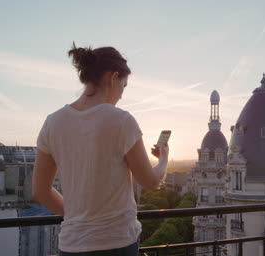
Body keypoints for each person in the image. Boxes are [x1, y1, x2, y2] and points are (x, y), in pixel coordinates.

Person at [32, 43, 169, 256]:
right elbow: (150, 181)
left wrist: (78, 217)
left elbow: (40, 191)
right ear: (113, 77)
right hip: (116, 242)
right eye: (123, 86)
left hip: (71, 244)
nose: (122, 95)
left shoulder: (52, 122)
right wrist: (163, 159)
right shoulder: (121, 120)